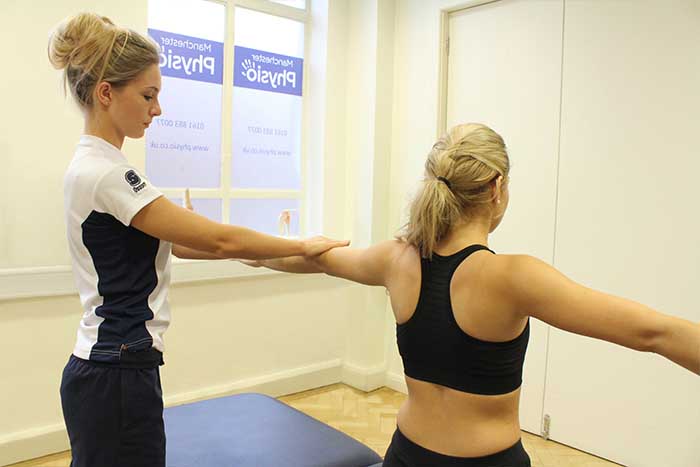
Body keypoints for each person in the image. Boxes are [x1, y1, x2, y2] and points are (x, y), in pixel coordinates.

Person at [243, 122, 700, 467]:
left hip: (406, 455)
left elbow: (304, 257)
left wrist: (218, 250)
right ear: (497, 187)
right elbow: (653, 332)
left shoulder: (395, 259)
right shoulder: (512, 276)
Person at [48, 13, 348, 467]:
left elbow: (184, 242)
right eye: (148, 95)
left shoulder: (95, 166)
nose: (157, 109)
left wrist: (258, 256)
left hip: (112, 368)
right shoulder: (108, 173)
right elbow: (220, 239)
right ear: (106, 93)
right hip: (116, 374)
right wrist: (299, 245)